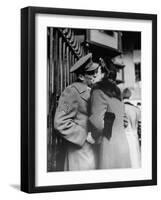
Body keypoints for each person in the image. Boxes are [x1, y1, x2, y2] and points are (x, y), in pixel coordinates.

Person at [54, 53, 99, 171]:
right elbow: (60, 122)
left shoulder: (92, 91)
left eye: (95, 71)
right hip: (80, 150)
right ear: (81, 76)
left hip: (92, 148)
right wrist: (84, 136)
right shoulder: (71, 92)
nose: (95, 75)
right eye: (90, 73)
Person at [89, 58, 131, 169]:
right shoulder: (117, 93)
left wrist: (95, 137)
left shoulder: (98, 91)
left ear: (102, 73)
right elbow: (125, 122)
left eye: (95, 71)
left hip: (108, 145)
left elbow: (97, 123)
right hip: (123, 145)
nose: (93, 75)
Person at [122, 88, 141, 168]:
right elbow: (140, 126)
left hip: (123, 137)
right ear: (130, 96)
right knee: (135, 159)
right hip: (135, 137)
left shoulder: (120, 107)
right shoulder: (137, 109)